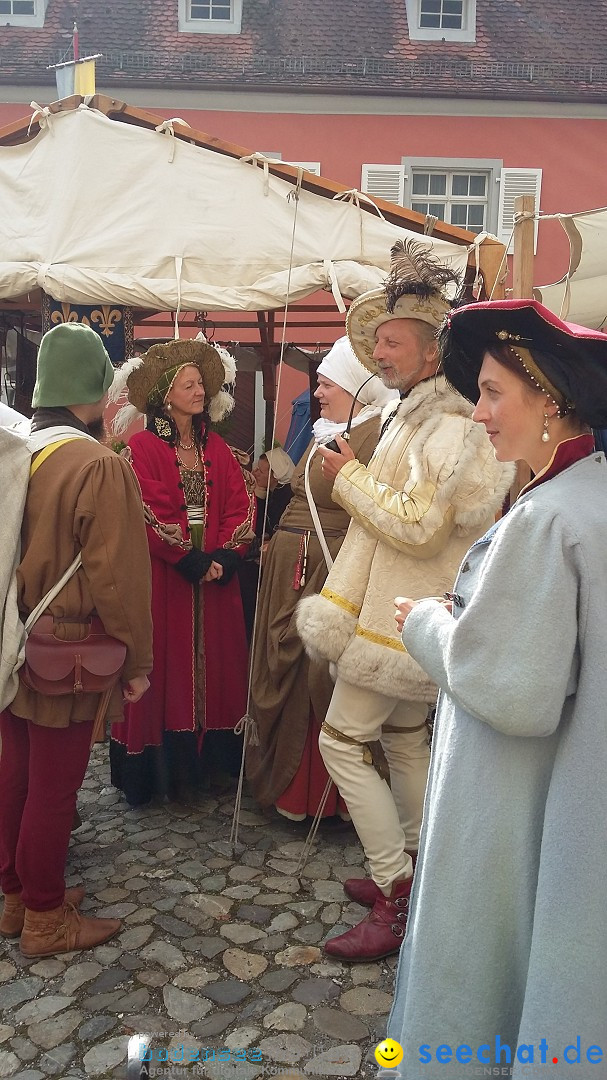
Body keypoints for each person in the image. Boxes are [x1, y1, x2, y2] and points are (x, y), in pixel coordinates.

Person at [386, 297, 607, 1080]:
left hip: (514, 807)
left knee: (484, 978)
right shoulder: (589, 497)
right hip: (565, 802)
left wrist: (426, 625)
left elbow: (513, 690)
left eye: (490, 392)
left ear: (548, 398)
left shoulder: (549, 519)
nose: (477, 413)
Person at [296, 241, 513, 961]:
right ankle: (423, 875)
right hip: (401, 618)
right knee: (401, 741)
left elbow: (419, 527)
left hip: (395, 622)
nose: (379, 354)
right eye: (377, 343)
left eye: (391, 343)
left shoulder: (446, 425)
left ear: (428, 354)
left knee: (341, 742)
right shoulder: (413, 415)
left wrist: (349, 477)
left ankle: (396, 890)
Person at [0, 322, 153, 957]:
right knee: (55, 787)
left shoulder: (16, 453)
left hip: (11, 637)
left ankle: (15, 896)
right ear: (96, 388)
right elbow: (116, 579)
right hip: (67, 650)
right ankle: (43, 917)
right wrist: (137, 660)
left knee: (13, 773)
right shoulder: (95, 464)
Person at [246, 336, 397, 820]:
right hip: (294, 566)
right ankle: (292, 794)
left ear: (356, 387)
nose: (319, 393)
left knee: (316, 674)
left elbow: (369, 507)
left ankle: (324, 800)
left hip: (325, 566)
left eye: (328, 383)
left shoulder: (374, 434)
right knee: (286, 671)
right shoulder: (327, 427)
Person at [108, 337, 255, 806]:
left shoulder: (220, 449)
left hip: (214, 579)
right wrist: (184, 557)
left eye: (201, 385)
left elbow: (240, 503)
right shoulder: (143, 447)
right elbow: (144, 506)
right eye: (189, 385)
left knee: (220, 664)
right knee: (165, 661)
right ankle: (157, 771)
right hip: (167, 580)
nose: (199, 392)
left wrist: (225, 556)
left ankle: (210, 762)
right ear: (167, 395)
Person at [252, 447, 295, 541]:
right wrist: (259, 492)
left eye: (261, 471)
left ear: (275, 476)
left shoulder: (286, 497)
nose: (256, 473)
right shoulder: (271, 493)